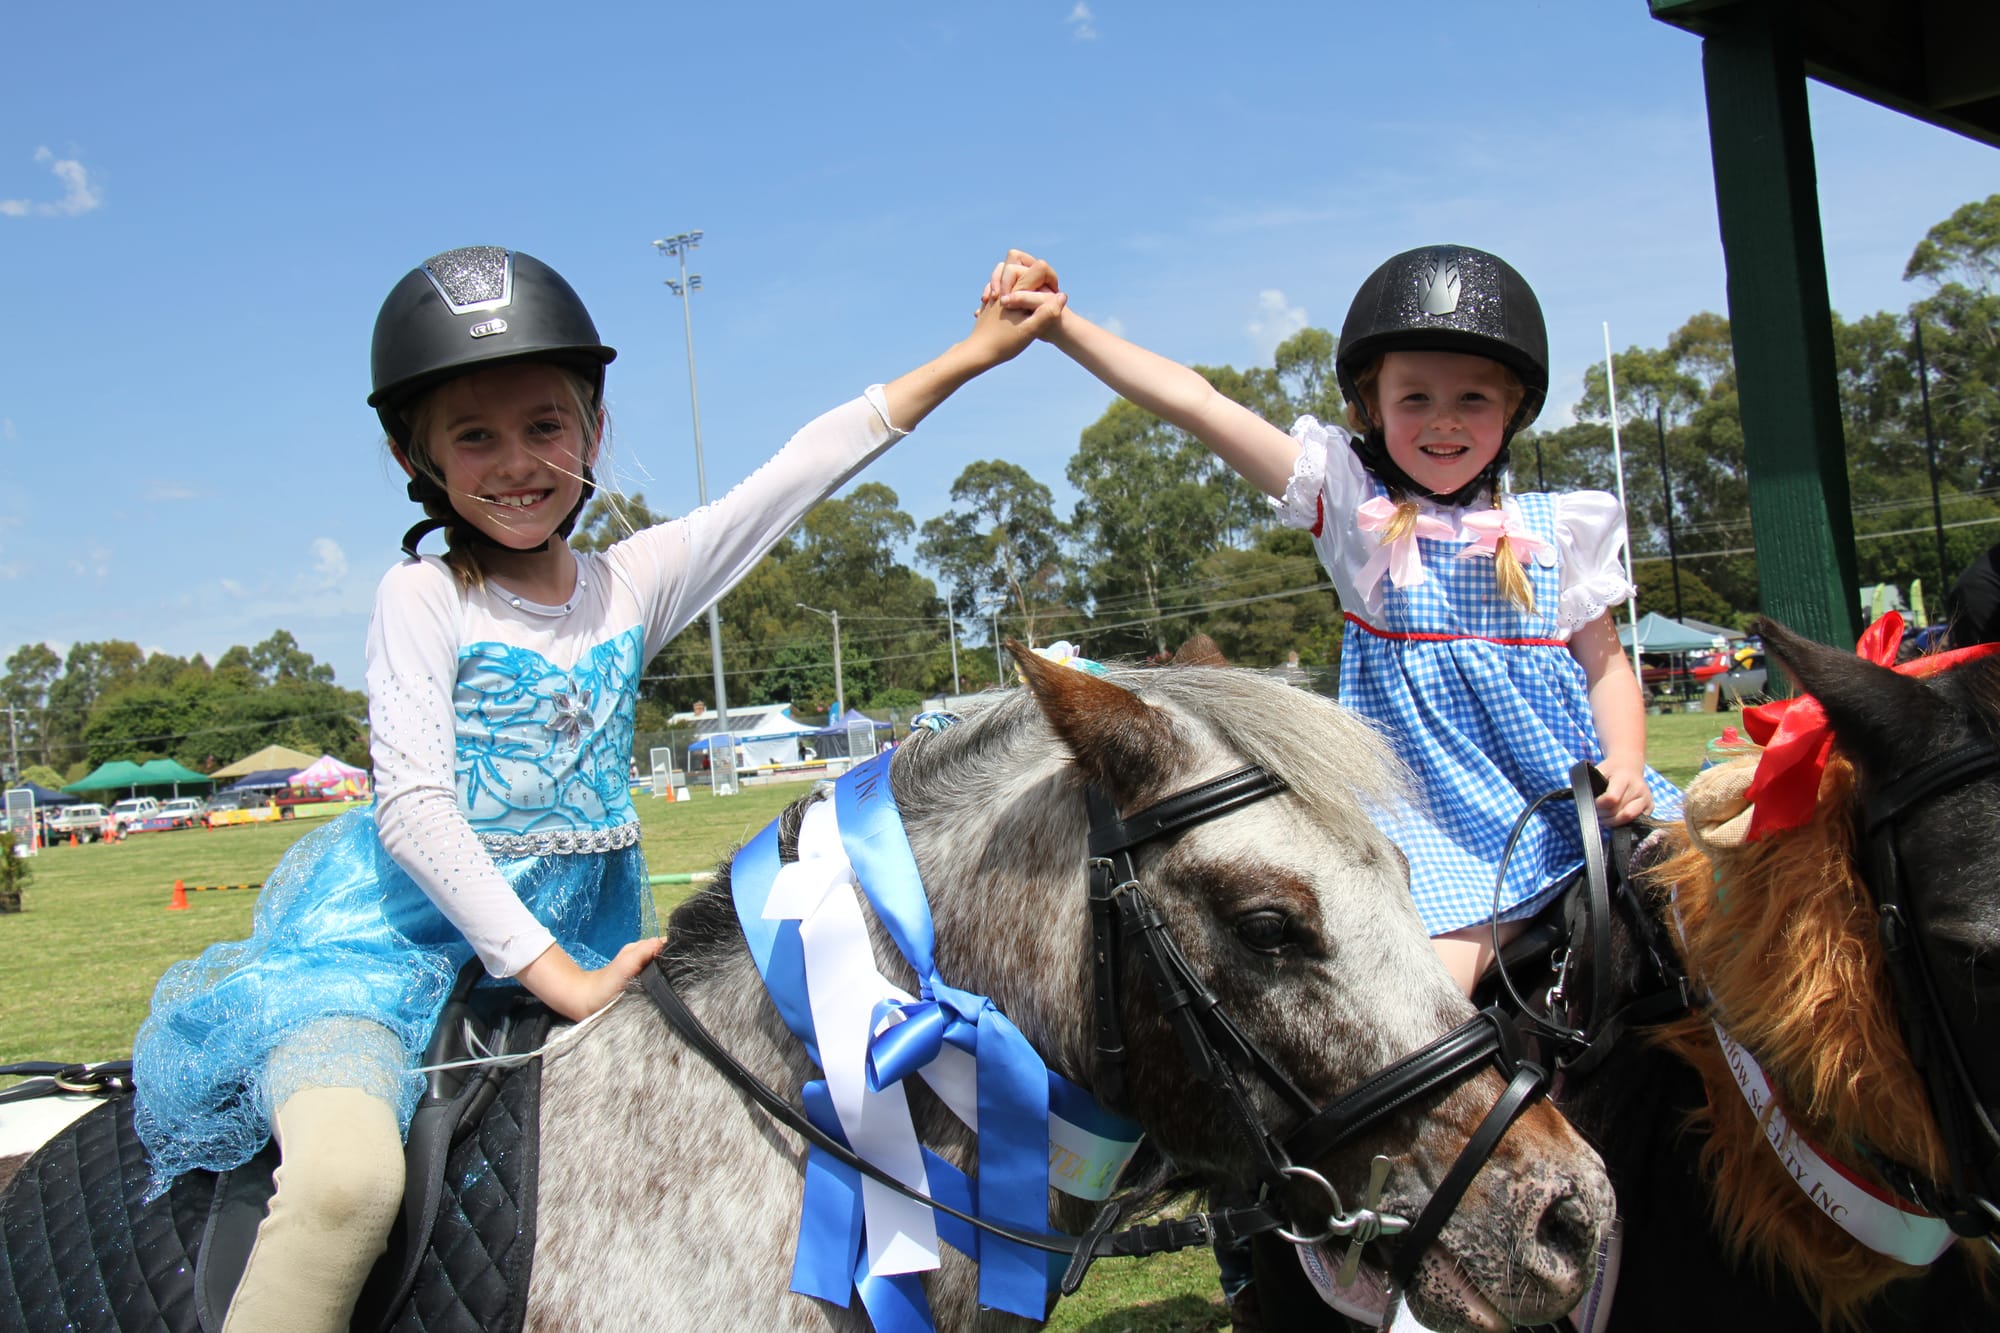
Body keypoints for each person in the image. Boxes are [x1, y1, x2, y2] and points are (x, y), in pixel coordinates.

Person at [132, 245, 1065, 1333]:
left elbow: (797, 472)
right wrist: (561, 980)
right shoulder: (420, 597)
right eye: (473, 437)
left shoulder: (628, 585)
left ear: (593, 430)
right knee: (346, 1189)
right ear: (412, 454)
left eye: (544, 426)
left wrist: (971, 354)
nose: (516, 462)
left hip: (583, 949)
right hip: (383, 957)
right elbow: (416, 810)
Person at [990, 244, 1679, 993]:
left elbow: (1606, 666)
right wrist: (1065, 327)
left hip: (1577, 803)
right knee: (1425, 1006)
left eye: (1473, 399)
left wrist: (1628, 760)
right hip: (1447, 834)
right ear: (1372, 407)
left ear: (1512, 410)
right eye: (1415, 398)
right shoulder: (1356, 511)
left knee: (1723, 929)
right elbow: (1200, 404)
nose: (1444, 420)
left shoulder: (1560, 532)